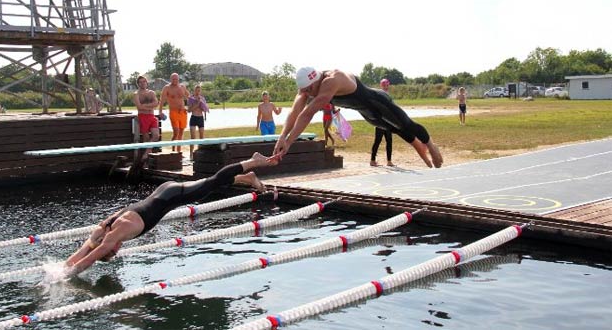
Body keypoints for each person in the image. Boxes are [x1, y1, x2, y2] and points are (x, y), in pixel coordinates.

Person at [64, 152, 278, 276]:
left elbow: (89, 258)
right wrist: (63, 267)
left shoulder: (112, 235)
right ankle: (248, 177)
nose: (116, 249)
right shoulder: (104, 226)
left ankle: (253, 161)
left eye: (112, 251)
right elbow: (87, 248)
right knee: (208, 186)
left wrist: (64, 277)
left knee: (211, 183)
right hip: (164, 192)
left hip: (171, 196)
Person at [273, 67, 443, 168]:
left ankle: (430, 146)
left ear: (316, 81)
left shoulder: (331, 80)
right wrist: (282, 137)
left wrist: (289, 143)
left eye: (309, 90)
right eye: (304, 91)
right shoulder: (306, 88)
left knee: (405, 124)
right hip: (366, 113)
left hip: (377, 103)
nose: (307, 94)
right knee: (394, 128)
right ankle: (419, 147)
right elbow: (295, 112)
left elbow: (307, 114)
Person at [159, 73, 190, 153]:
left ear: (178, 79)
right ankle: (173, 150)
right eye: (173, 79)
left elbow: (189, 96)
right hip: (173, 112)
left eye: (176, 79)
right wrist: (160, 111)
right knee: (176, 132)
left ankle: (179, 151)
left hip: (183, 112)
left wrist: (188, 107)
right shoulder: (167, 88)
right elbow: (162, 100)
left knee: (181, 132)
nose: (175, 80)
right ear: (170, 79)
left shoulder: (182, 87)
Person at [133, 76, 159, 162]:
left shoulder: (151, 93)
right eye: (140, 82)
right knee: (146, 138)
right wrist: (150, 107)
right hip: (143, 117)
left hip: (152, 117)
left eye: (144, 81)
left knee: (156, 135)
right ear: (138, 84)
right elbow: (139, 107)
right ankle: (146, 159)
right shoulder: (136, 94)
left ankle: (146, 154)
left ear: (146, 82)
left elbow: (156, 103)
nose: (143, 83)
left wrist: (145, 106)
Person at [370, 79, 394, 166]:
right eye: (384, 85)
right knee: (377, 141)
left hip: (388, 122)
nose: (386, 87)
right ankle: (372, 160)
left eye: (387, 85)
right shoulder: (379, 94)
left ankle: (389, 161)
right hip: (380, 122)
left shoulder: (388, 95)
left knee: (389, 141)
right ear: (381, 85)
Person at [187, 84, 210, 159]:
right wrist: (197, 104)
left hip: (200, 118)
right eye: (196, 90)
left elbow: (205, 108)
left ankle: (201, 153)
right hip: (194, 118)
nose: (197, 92)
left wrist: (203, 106)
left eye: (199, 90)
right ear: (194, 90)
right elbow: (189, 110)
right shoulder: (191, 98)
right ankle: (191, 154)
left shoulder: (202, 98)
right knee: (193, 137)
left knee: (201, 137)